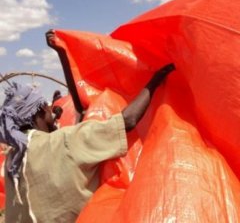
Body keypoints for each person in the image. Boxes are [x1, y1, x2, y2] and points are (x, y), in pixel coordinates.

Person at [1, 32, 175, 223]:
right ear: (41, 110)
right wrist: (154, 82)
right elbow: (128, 120)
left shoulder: (13, 157)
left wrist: (62, 53)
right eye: (49, 108)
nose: (54, 112)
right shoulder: (66, 142)